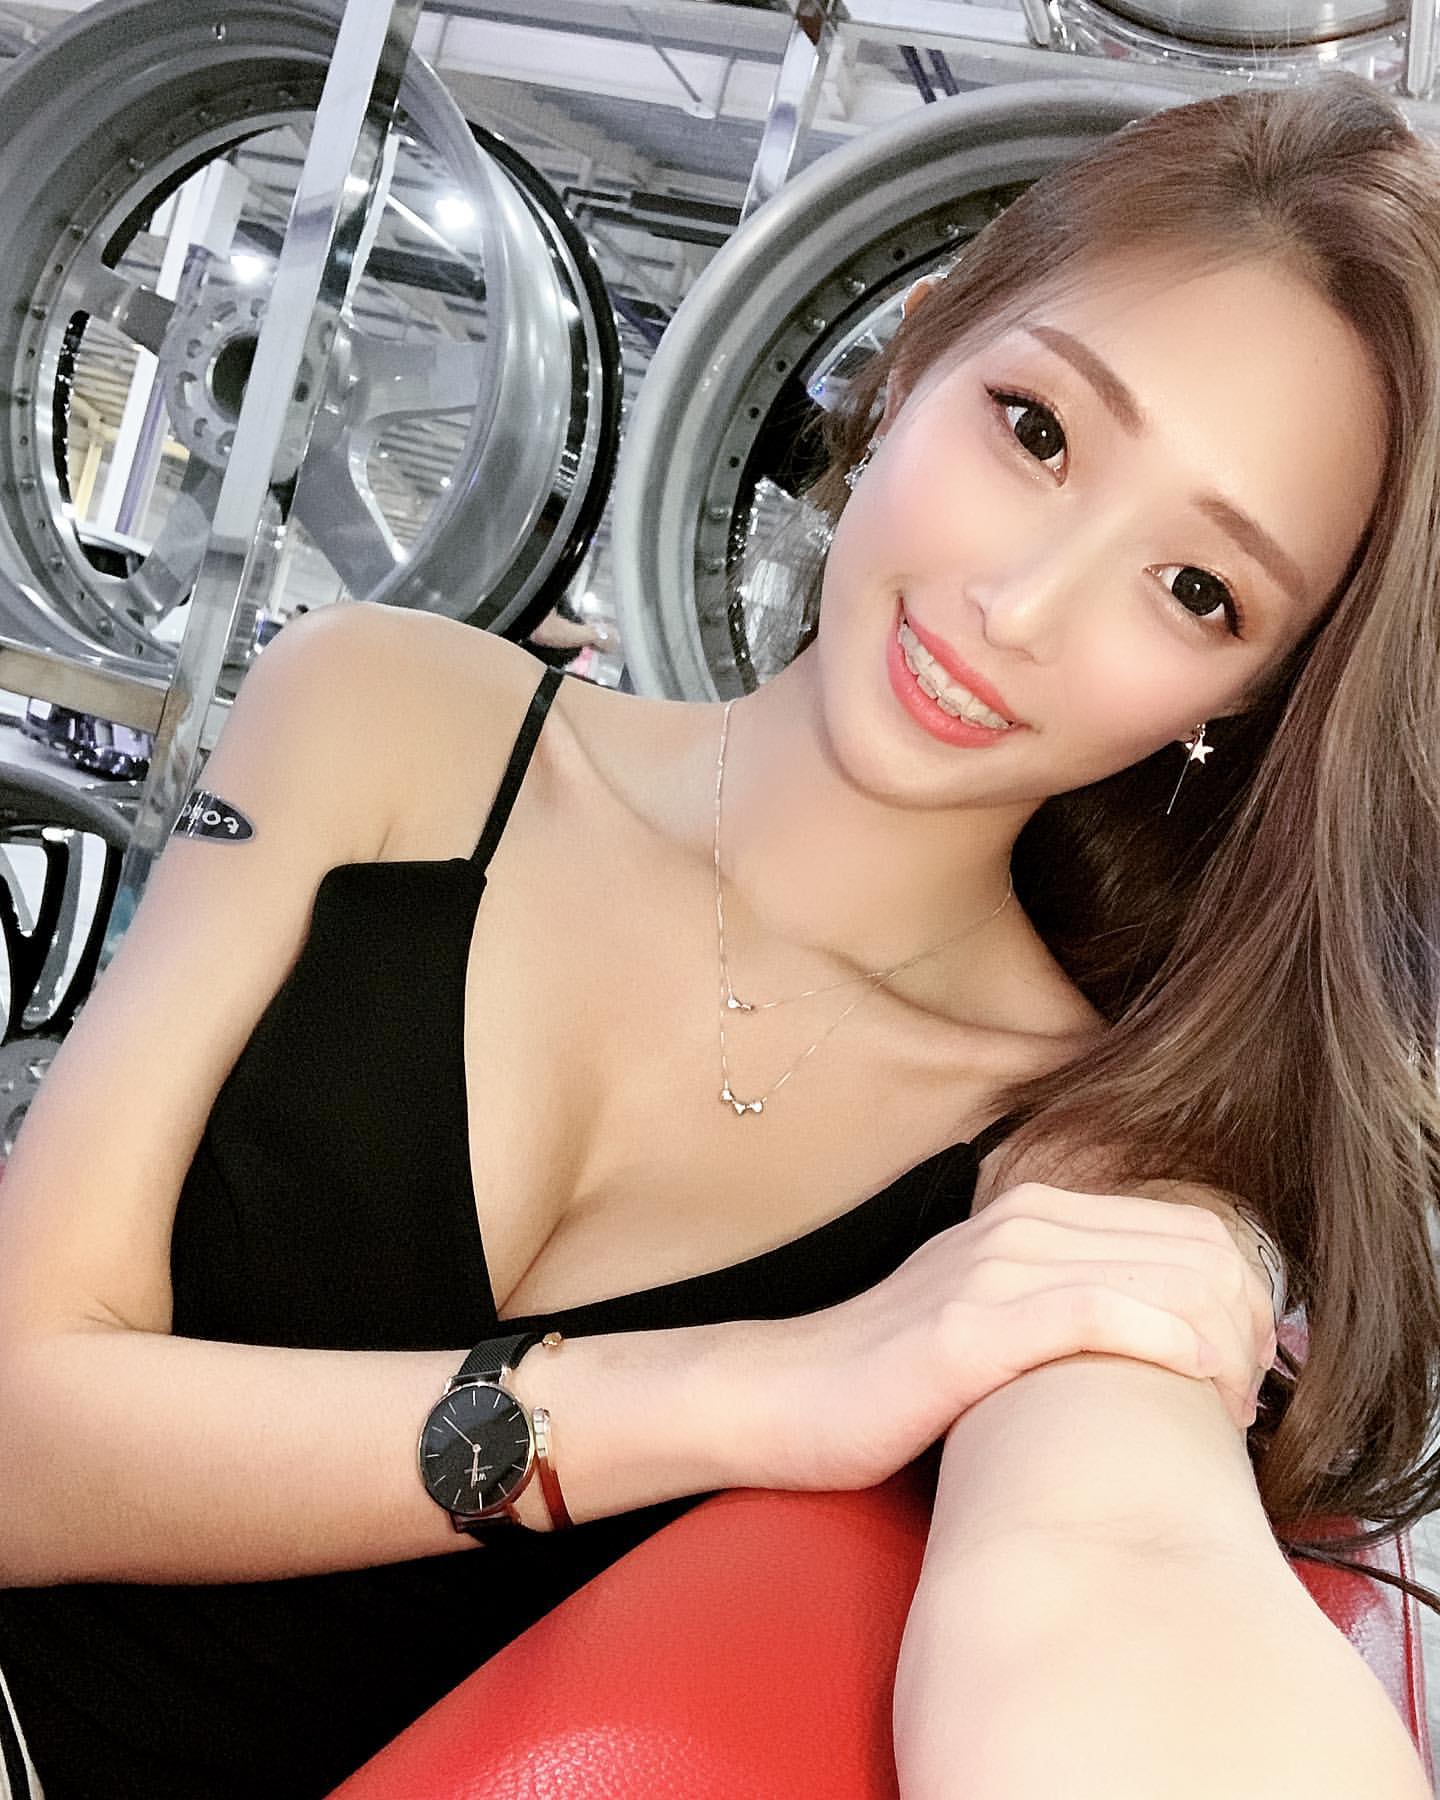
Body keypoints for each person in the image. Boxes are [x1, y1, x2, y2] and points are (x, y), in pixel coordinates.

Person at [0, 69, 1435, 1800]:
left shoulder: (1092, 1152)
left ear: (1250, 696)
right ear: (918, 347)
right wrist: (766, 1385)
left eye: (1198, 590)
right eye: (1038, 431)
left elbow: (1124, 1579)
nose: (1020, 609)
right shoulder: (383, 713)